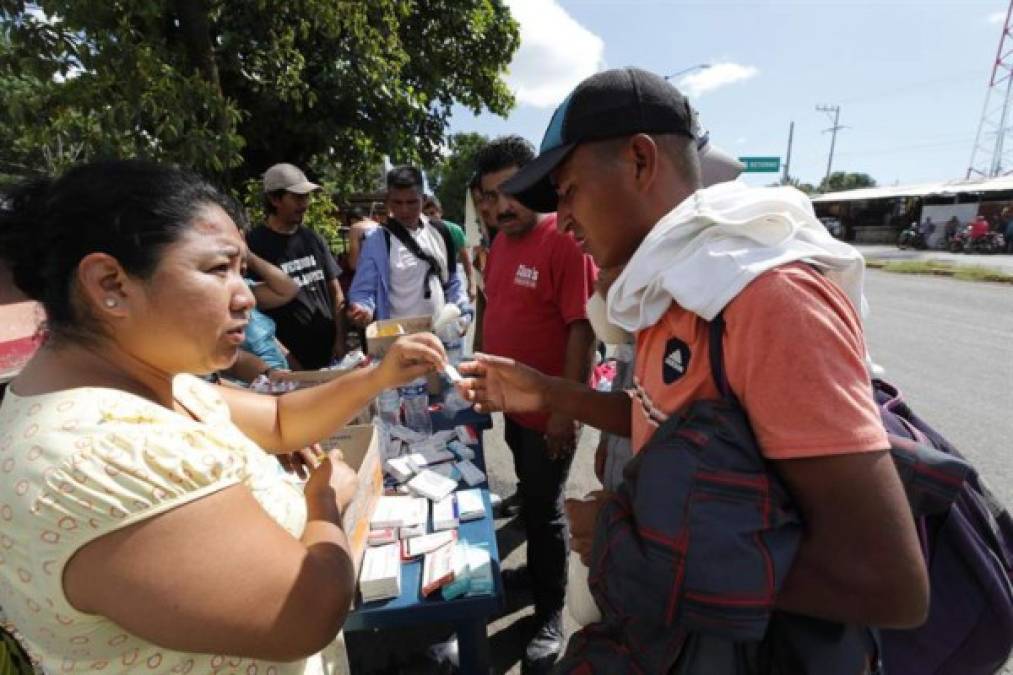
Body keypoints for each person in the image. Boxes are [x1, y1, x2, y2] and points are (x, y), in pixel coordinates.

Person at [458, 68, 927, 670]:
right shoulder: (669, 289)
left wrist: (628, 541)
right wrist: (549, 392)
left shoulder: (768, 298)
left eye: (569, 190)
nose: (564, 220)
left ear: (639, 160)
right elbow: (656, 418)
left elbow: (886, 581)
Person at [0, 159, 448, 674]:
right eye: (219, 269)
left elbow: (279, 420)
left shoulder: (153, 383)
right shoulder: (98, 454)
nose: (244, 298)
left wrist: (376, 376)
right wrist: (324, 501)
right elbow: (306, 612)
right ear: (111, 283)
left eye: (242, 270)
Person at [474, 135, 598, 671]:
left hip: (550, 411)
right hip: (513, 407)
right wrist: (479, 371)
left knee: (547, 512)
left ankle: (550, 612)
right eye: (491, 195)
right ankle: (537, 579)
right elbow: (491, 308)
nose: (503, 205)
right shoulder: (499, 242)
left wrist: (565, 411)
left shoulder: (562, 241)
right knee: (529, 494)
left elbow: (582, 328)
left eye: (514, 191)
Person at [245, 163, 346, 370]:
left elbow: (335, 292)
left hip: (331, 356)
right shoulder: (253, 247)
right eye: (298, 197)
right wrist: (286, 361)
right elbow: (252, 316)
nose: (305, 204)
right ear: (274, 199)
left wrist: (340, 340)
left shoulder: (312, 239)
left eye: (307, 197)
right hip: (289, 364)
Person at [347, 166, 470, 326]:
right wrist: (362, 309)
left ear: (424, 199)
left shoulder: (441, 231)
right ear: (387, 200)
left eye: (412, 202)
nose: (404, 210)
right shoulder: (376, 241)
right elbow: (363, 291)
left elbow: (452, 280)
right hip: (399, 339)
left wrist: (464, 310)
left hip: (441, 334)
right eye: (397, 202)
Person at [423, 194, 476, 302]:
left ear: (440, 213)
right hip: (430, 278)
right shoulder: (420, 233)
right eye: (426, 214)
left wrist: (472, 284)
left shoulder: (454, 230)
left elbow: (466, 261)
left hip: (452, 274)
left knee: (460, 309)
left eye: (433, 213)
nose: (430, 217)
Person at [345, 206, 379, 273]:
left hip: (367, 271)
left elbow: (353, 264)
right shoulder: (379, 226)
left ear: (352, 219)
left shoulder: (355, 227)